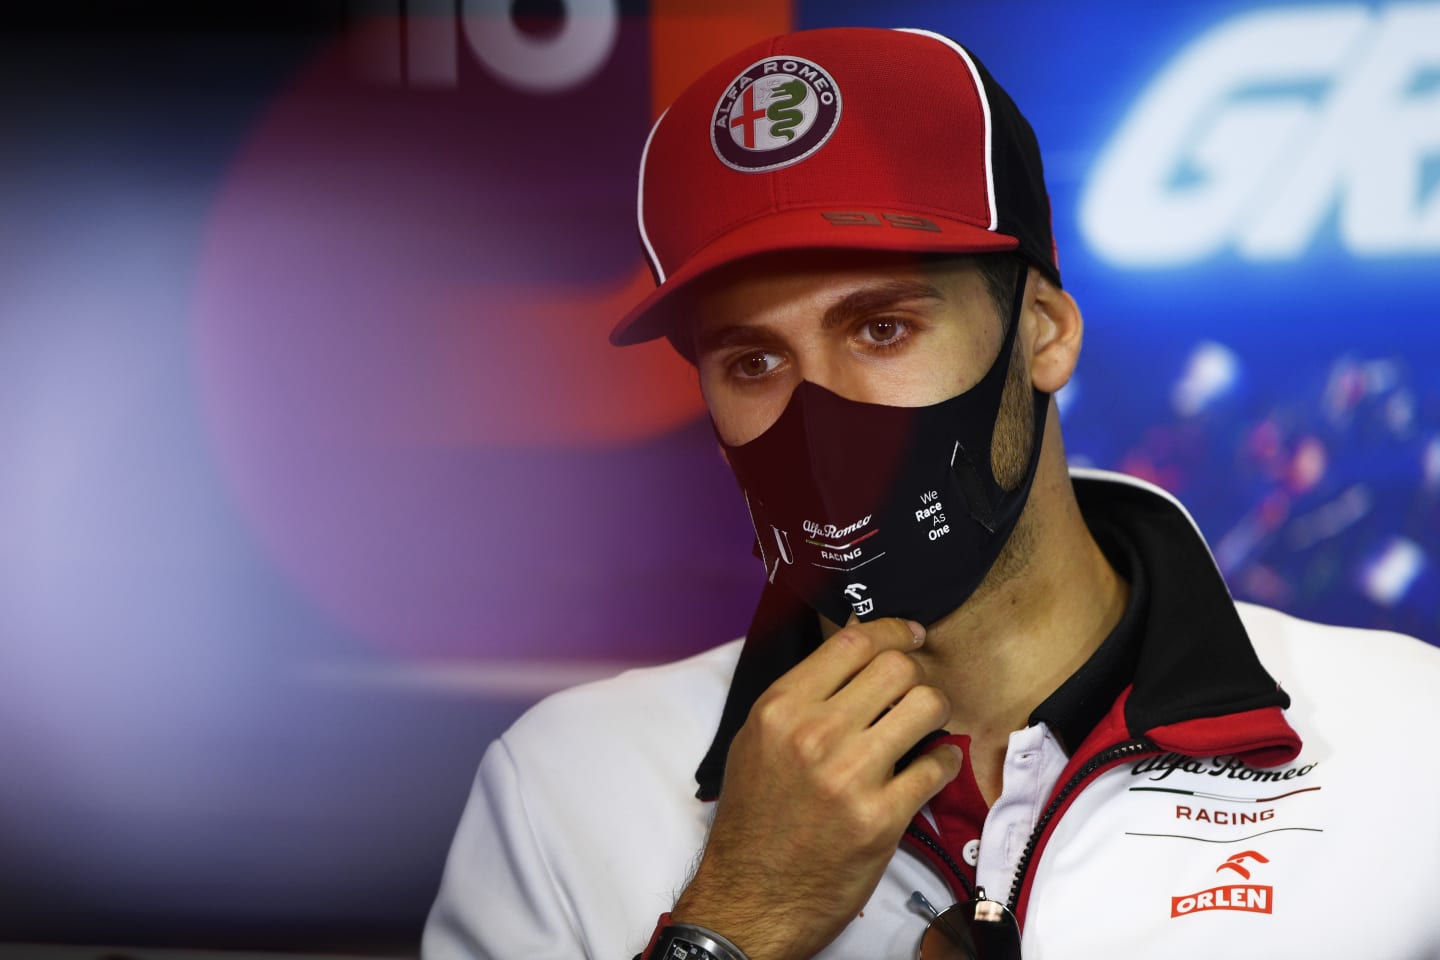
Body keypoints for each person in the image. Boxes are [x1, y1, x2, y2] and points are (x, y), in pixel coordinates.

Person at [422, 26, 1440, 960]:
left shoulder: (1408, 739)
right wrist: (736, 921)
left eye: (881, 329)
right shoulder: (563, 785)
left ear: (1044, 330)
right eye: (751, 361)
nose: (817, 415)